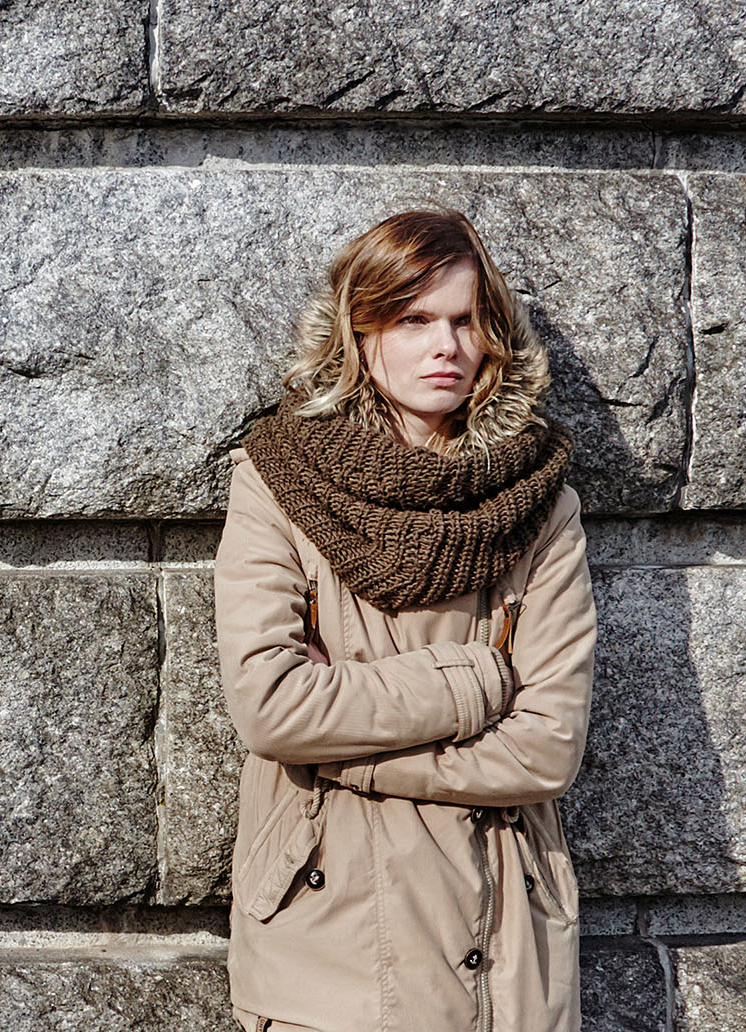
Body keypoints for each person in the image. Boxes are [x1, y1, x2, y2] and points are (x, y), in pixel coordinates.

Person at [214, 210, 597, 1031]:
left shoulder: (541, 499)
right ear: (360, 334)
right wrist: (477, 678)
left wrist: (343, 754)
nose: (447, 345)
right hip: (328, 943)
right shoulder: (277, 480)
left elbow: (547, 746)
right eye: (414, 319)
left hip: (506, 944)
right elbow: (271, 707)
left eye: (466, 320)